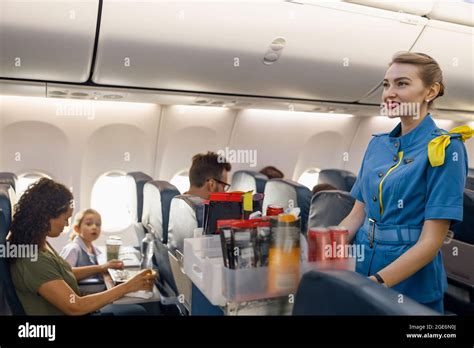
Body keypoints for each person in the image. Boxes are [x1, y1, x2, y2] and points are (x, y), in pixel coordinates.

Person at [340, 52, 472, 313]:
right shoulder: (377, 144)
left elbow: (431, 241)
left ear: (431, 91)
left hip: (409, 280)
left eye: (402, 83)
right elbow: (356, 215)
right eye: (386, 84)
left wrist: (375, 283)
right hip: (360, 263)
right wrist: (324, 252)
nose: (389, 93)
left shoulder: (446, 149)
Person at [9, 178, 156, 315]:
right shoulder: (33, 260)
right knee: (137, 311)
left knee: (135, 309)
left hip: (79, 305)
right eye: (65, 219)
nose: (67, 224)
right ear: (46, 216)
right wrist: (128, 286)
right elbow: (75, 307)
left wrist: (101, 268)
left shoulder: (39, 242)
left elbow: (63, 272)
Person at [60, 209, 123, 280]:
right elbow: (65, 273)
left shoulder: (94, 248)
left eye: (98, 224)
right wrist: (101, 268)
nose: (94, 227)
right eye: (89, 224)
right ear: (77, 229)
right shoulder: (73, 248)